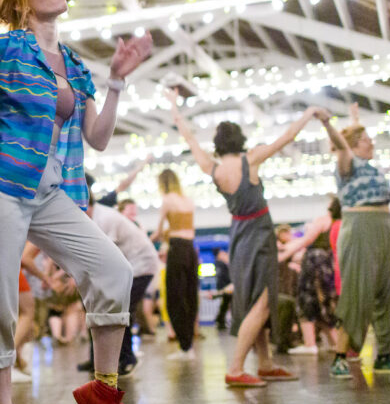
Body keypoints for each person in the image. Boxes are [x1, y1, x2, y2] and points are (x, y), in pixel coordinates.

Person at [0, 0, 151, 404]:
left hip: (51, 191)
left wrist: (115, 80)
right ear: (23, 1)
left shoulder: (72, 63)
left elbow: (99, 138)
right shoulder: (0, 49)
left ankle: (104, 391)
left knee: (114, 269)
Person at [167, 90, 316, 387]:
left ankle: (265, 363)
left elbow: (189, 139)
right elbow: (286, 137)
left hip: (238, 235)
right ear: (240, 140)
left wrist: (174, 108)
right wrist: (309, 112)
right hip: (259, 234)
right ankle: (235, 368)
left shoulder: (213, 168)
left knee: (251, 300)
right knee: (261, 303)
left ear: (218, 144)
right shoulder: (251, 159)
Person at [320, 117, 390, 378]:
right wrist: (328, 124)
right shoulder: (347, 165)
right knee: (356, 292)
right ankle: (340, 357)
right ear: (352, 146)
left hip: (382, 228)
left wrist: (354, 118)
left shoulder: (370, 169)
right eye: (365, 139)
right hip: (360, 227)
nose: (371, 142)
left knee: (388, 294)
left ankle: (385, 355)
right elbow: (341, 145)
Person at [88, 193, 161, 376]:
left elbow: (107, 256)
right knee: (119, 309)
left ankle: (128, 359)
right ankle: (121, 358)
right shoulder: (98, 215)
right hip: (133, 266)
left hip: (141, 265)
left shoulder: (103, 218)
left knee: (122, 310)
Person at [279, 197, 341, 355]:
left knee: (307, 302)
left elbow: (306, 241)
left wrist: (284, 254)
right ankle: (337, 343)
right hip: (328, 265)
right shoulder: (339, 223)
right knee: (325, 305)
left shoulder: (322, 221)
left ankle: (309, 343)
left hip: (314, 265)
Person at [149, 169, 199, 360]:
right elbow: (187, 228)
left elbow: (160, 231)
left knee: (174, 296)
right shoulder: (188, 200)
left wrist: (148, 240)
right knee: (190, 295)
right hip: (191, 249)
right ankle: (189, 345)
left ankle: (184, 346)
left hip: (177, 250)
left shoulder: (167, 200)